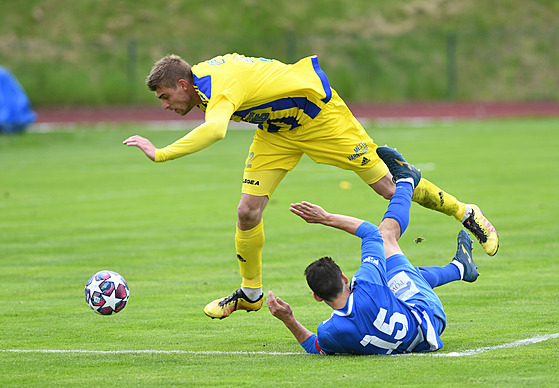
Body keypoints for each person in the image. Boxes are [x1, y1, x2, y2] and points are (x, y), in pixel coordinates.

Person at [123, 53, 497, 319]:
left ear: (183, 84)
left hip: (320, 118)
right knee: (247, 211)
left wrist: (161, 154)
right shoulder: (204, 84)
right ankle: (251, 293)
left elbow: (217, 129)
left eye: (165, 97)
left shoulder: (219, 86)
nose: (165, 105)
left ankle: (466, 212)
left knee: (386, 185)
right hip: (277, 131)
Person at [267, 147, 479, 354]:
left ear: (317, 297)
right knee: (386, 236)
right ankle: (406, 180)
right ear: (343, 277)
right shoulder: (366, 283)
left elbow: (314, 347)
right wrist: (325, 218)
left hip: (418, 343)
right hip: (428, 316)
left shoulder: (330, 332)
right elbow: (370, 233)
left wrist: (289, 319)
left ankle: (459, 268)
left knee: (398, 274)